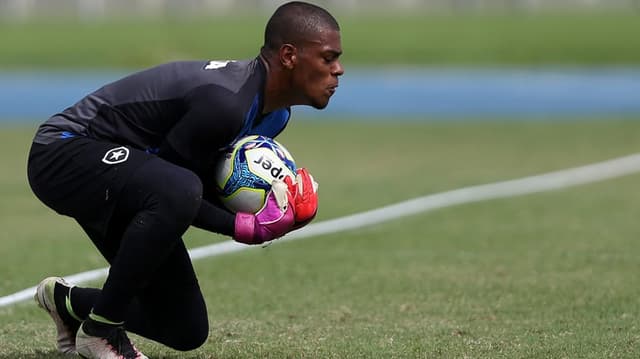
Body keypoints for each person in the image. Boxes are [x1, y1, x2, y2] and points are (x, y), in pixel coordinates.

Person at [27, 1, 343, 358]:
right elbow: (179, 188)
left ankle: (69, 303)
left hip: (129, 174)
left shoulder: (275, 117)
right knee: (179, 189)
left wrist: (278, 207)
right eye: (328, 58)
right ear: (288, 55)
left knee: (185, 327)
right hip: (62, 151)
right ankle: (101, 330)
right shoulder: (226, 104)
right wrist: (245, 228)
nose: (339, 70)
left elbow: (188, 178)